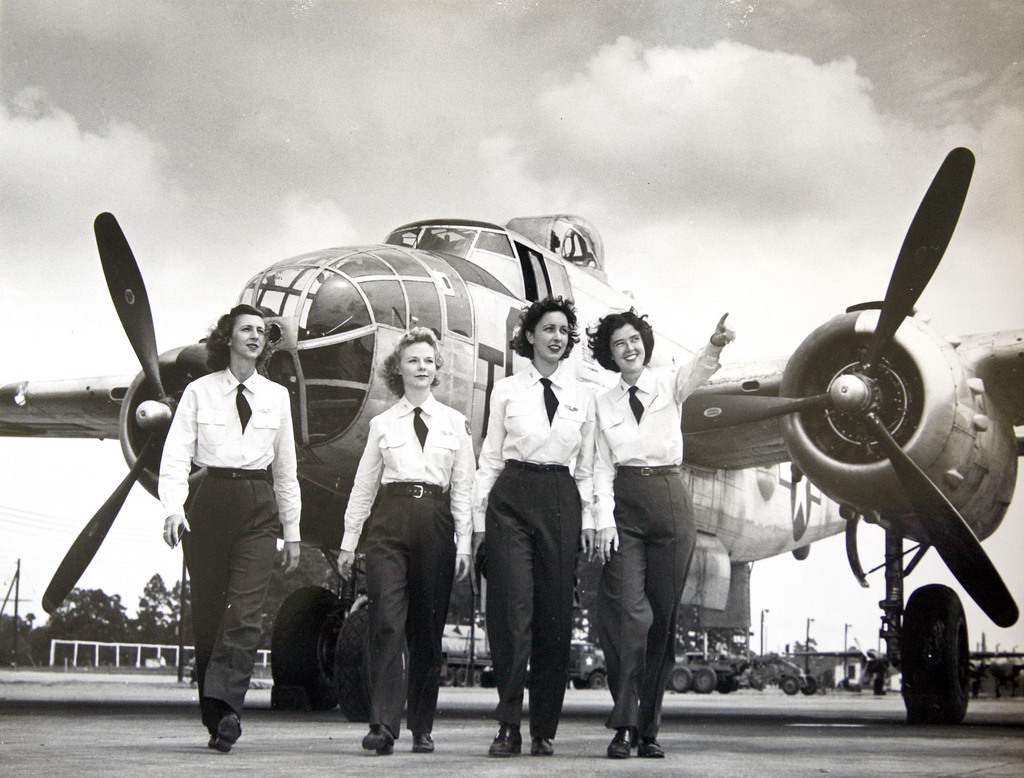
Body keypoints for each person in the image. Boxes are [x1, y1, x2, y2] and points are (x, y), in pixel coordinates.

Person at [588, 309, 734, 759]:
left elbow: (699, 368)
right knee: (629, 616)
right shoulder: (602, 403)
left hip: (671, 500)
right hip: (625, 505)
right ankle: (624, 723)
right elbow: (598, 466)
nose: (629, 348)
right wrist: (604, 520)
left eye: (635, 339)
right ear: (609, 355)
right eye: (619, 344)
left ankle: (647, 729)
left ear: (644, 343)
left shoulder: (669, 382)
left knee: (662, 621)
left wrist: (715, 343)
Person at [158, 303, 300, 753]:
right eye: (247, 329)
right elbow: (177, 454)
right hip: (209, 499)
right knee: (210, 613)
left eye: (262, 330)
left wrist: (291, 530)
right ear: (229, 338)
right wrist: (173, 508)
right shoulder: (199, 392)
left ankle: (231, 710)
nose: (256, 336)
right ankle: (213, 713)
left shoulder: (277, 397)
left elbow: (286, 470)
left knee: (245, 610)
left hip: (257, 505)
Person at [337, 328, 474, 756]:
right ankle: (382, 724)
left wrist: (464, 543)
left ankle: (422, 726)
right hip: (389, 523)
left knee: (427, 632)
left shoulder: (455, 423)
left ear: (437, 370)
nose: (421, 367)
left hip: (435, 522)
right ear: (398, 368)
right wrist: (348, 541)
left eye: (428, 361)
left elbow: (465, 488)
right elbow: (363, 487)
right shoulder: (382, 423)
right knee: (386, 622)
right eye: (413, 360)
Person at [472, 296, 596, 758]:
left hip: (561, 500)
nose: (557, 337)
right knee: (511, 616)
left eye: (564, 330)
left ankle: (544, 727)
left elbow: (587, 468)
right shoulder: (506, 390)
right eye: (548, 329)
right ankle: (508, 725)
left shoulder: (583, 395)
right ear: (530, 336)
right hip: (512, 498)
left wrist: (591, 519)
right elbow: (488, 459)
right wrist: (476, 522)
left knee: (553, 619)